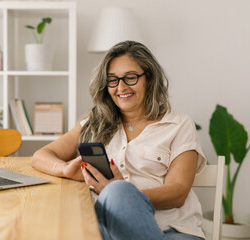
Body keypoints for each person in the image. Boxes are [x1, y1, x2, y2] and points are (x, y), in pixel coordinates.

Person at [31, 40, 206, 240]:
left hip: (173, 232)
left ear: (149, 79)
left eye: (130, 78)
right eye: (112, 80)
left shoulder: (178, 125)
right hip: (110, 231)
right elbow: (40, 156)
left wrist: (121, 194)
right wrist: (63, 169)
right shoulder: (93, 124)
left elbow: (178, 192)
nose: (120, 87)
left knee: (118, 192)